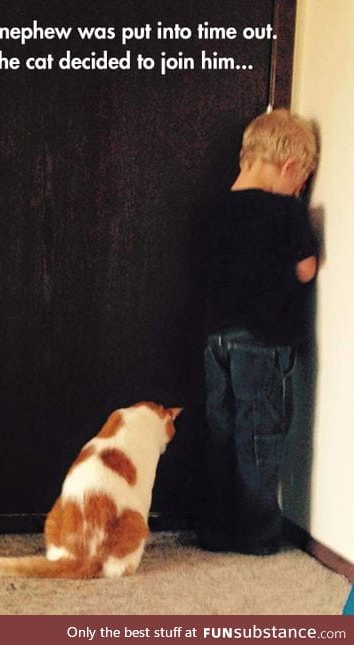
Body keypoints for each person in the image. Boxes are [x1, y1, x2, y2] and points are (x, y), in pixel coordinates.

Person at [201, 108, 319, 554]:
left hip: (216, 339)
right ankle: (257, 533)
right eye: (302, 179)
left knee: (220, 429)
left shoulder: (215, 210)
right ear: (290, 168)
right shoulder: (285, 211)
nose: (300, 188)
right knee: (258, 434)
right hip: (263, 342)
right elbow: (306, 271)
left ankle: (215, 529)